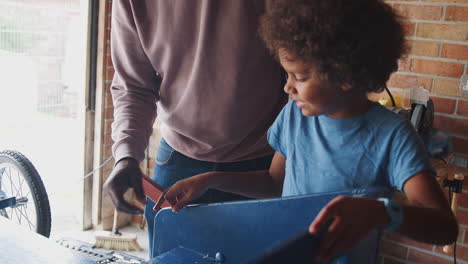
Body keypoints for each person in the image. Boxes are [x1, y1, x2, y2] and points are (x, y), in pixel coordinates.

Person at [161, 0, 458, 262]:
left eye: (300, 76)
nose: (287, 87)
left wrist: (381, 212)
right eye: (287, 74)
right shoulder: (294, 115)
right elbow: (274, 183)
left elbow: (444, 227)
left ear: (344, 74)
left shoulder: (393, 136)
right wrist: (211, 180)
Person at [103, 0, 288, 257]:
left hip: (262, 162)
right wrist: (125, 155)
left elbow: (297, 66)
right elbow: (133, 87)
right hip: (179, 159)